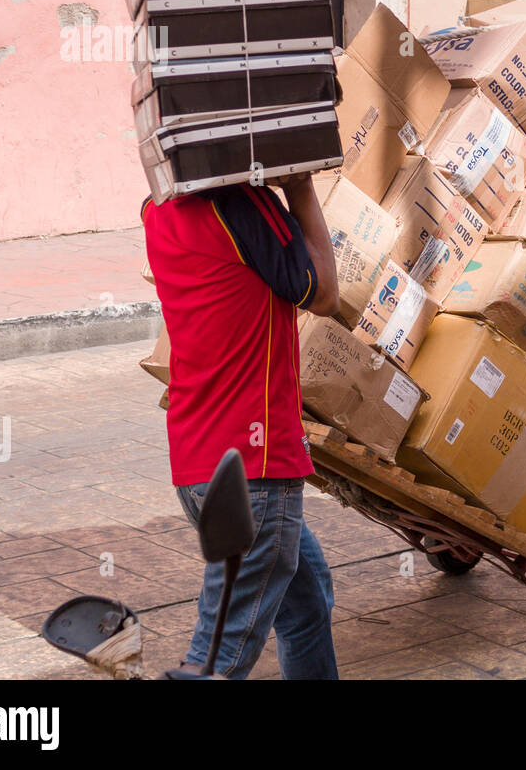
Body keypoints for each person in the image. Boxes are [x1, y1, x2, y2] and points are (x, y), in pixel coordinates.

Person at [142, 174, 341, 678]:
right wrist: (299, 186)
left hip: (198, 466)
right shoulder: (246, 209)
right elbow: (324, 294)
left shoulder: (157, 209)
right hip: (255, 474)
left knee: (306, 603)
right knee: (217, 661)